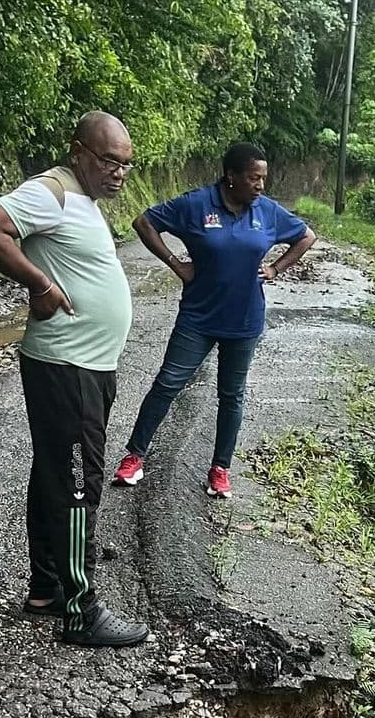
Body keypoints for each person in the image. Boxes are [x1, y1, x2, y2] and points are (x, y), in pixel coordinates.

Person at [0, 111, 146, 648]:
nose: (118, 172)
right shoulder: (52, 192)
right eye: (109, 160)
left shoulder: (82, 199)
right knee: (76, 482)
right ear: (78, 151)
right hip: (68, 368)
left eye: (126, 165)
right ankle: (81, 610)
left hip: (83, 366)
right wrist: (39, 284)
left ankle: (46, 588)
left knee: (54, 474)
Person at [113, 142, 317, 497]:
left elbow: (306, 236)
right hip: (198, 318)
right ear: (231, 176)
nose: (260, 185)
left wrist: (275, 269)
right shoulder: (196, 204)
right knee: (168, 383)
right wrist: (177, 265)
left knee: (232, 395)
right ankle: (134, 456)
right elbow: (144, 222)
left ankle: (220, 469)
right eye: (254, 178)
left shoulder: (267, 211)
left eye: (263, 178)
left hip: (244, 321)